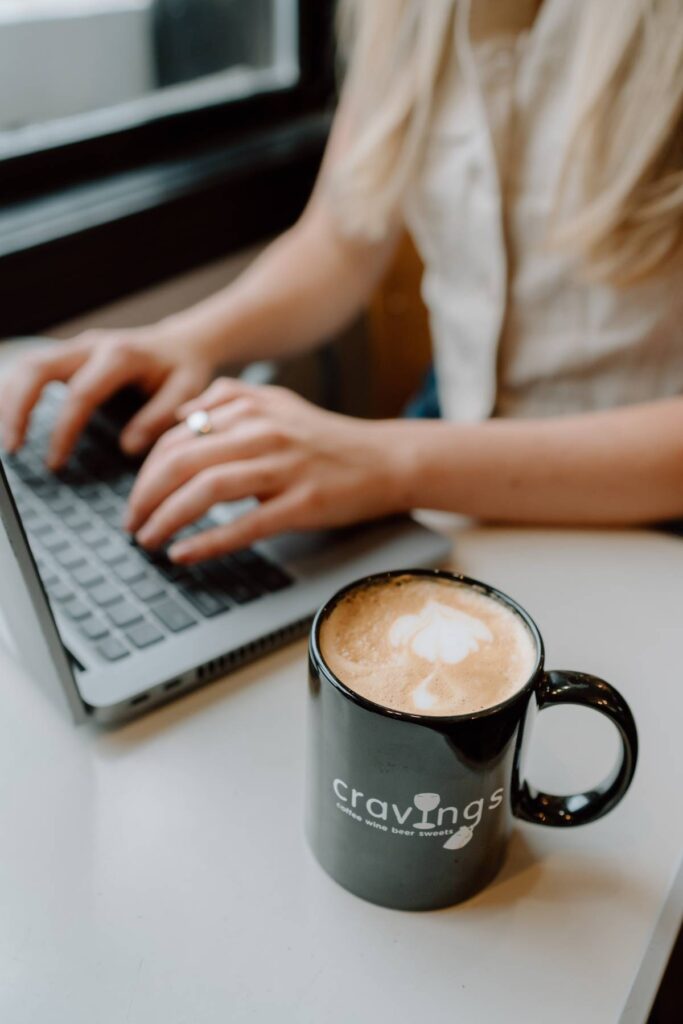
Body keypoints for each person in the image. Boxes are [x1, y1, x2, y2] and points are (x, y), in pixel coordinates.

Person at [1, 0, 682, 565]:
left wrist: (387, 460)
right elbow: (339, 240)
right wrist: (185, 339)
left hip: (641, 498)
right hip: (446, 433)